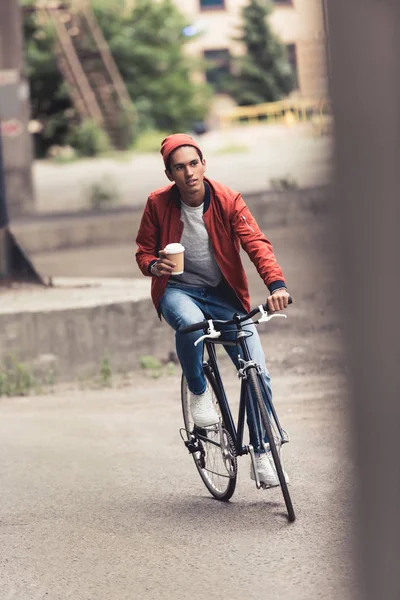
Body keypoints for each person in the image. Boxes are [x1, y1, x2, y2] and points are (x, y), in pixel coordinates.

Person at [135, 133, 290, 487]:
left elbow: (256, 244)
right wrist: (152, 266)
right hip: (178, 290)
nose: (189, 173)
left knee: (257, 371)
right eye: (179, 167)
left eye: (193, 164)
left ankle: (263, 452)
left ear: (204, 164)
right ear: (169, 173)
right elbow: (144, 250)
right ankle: (198, 390)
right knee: (190, 326)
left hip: (224, 295)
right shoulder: (157, 203)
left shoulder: (228, 200)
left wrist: (276, 285)